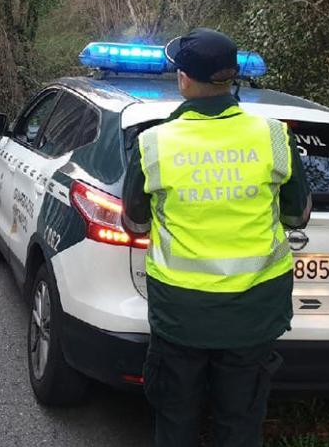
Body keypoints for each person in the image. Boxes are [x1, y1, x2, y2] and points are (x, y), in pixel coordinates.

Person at [121, 28, 311, 447]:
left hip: (180, 315)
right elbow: (298, 215)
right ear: (231, 77)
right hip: (254, 313)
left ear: (184, 79)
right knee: (240, 426)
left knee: (175, 422)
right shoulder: (274, 137)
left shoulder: (154, 143)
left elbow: (134, 223)